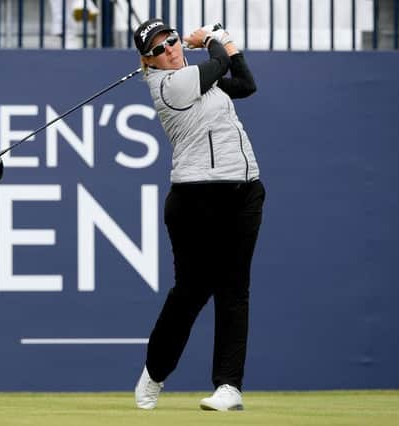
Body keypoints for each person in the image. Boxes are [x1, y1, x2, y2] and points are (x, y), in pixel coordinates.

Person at [132, 18, 265, 411]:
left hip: (244, 191)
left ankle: (229, 387)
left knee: (234, 289)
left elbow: (244, 84)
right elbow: (220, 64)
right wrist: (211, 38)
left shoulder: (194, 75)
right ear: (149, 62)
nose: (169, 50)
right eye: (157, 49)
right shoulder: (169, 86)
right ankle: (155, 373)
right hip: (196, 198)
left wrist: (225, 44)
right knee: (190, 293)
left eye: (171, 41)